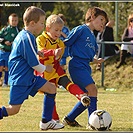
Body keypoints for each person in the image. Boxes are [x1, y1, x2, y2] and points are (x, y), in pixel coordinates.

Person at [0, 6, 65, 130]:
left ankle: (46, 121)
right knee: (13, 109)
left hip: (28, 78)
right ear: (32, 23)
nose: (43, 26)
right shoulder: (26, 37)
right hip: (20, 80)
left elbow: (27, 53)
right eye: (41, 23)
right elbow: (34, 64)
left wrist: (39, 53)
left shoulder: (26, 36)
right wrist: (46, 68)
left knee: (51, 88)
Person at [35, 14, 90, 124]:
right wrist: (53, 52)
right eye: (56, 30)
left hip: (56, 69)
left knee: (67, 82)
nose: (58, 33)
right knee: (51, 95)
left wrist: (57, 55)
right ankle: (55, 119)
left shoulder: (60, 43)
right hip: (45, 71)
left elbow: (59, 57)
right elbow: (40, 53)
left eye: (60, 30)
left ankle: (82, 96)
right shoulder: (40, 39)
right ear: (47, 28)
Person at [62, 7, 108, 129]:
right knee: (93, 90)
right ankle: (93, 123)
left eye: (105, 21)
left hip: (85, 66)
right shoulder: (81, 29)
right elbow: (66, 42)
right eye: (101, 19)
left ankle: (69, 119)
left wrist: (96, 60)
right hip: (76, 65)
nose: (103, 23)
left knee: (88, 95)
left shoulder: (93, 37)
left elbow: (87, 55)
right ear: (92, 17)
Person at [0, 13, 19, 87]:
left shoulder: (18, 31)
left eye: (15, 20)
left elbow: (19, 40)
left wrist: (13, 43)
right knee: (0, 67)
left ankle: (5, 82)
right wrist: (4, 41)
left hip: (10, 52)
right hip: (2, 51)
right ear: (9, 21)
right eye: (12, 20)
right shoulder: (5, 29)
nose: (14, 22)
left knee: (7, 67)